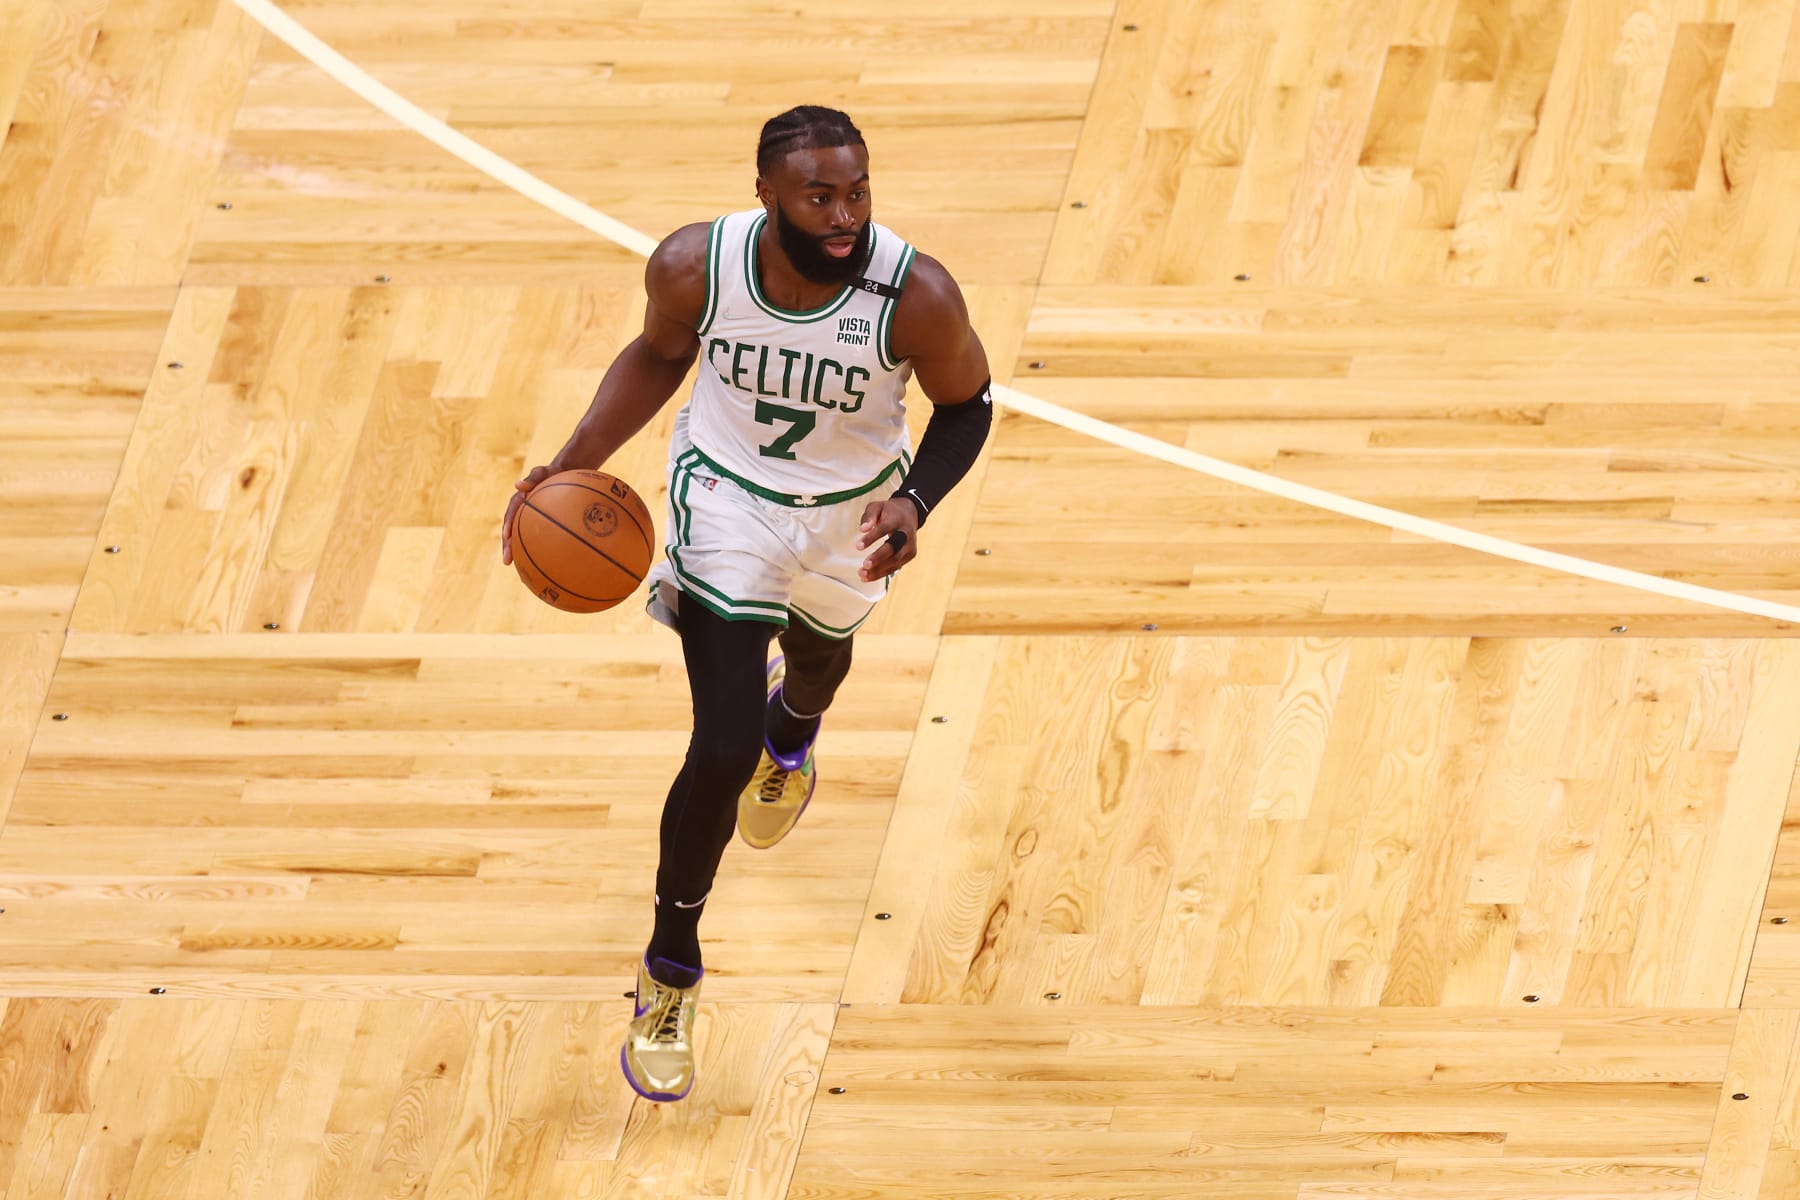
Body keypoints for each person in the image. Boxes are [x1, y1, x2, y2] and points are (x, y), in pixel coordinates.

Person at [501, 106, 992, 1102]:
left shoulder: (916, 293)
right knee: (717, 745)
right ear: (766, 191)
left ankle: (796, 728)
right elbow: (657, 359)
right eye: (821, 194)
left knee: (818, 661)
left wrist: (916, 499)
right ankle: (668, 968)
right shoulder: (696, 266)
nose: (845, 213)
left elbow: (969, 402)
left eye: (857, 190)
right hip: (726, 501)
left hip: (851, 514)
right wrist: (564, 469)